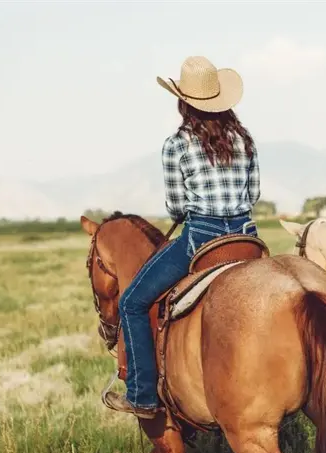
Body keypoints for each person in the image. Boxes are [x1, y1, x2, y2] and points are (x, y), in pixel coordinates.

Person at [103, 55, 261, 419]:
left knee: (131, 302)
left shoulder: (176, 145)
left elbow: (176, 207)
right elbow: (253, 196)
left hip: (201, 239)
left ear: (183, 101)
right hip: (246, 238)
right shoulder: (245, 139)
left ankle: (142, 395)